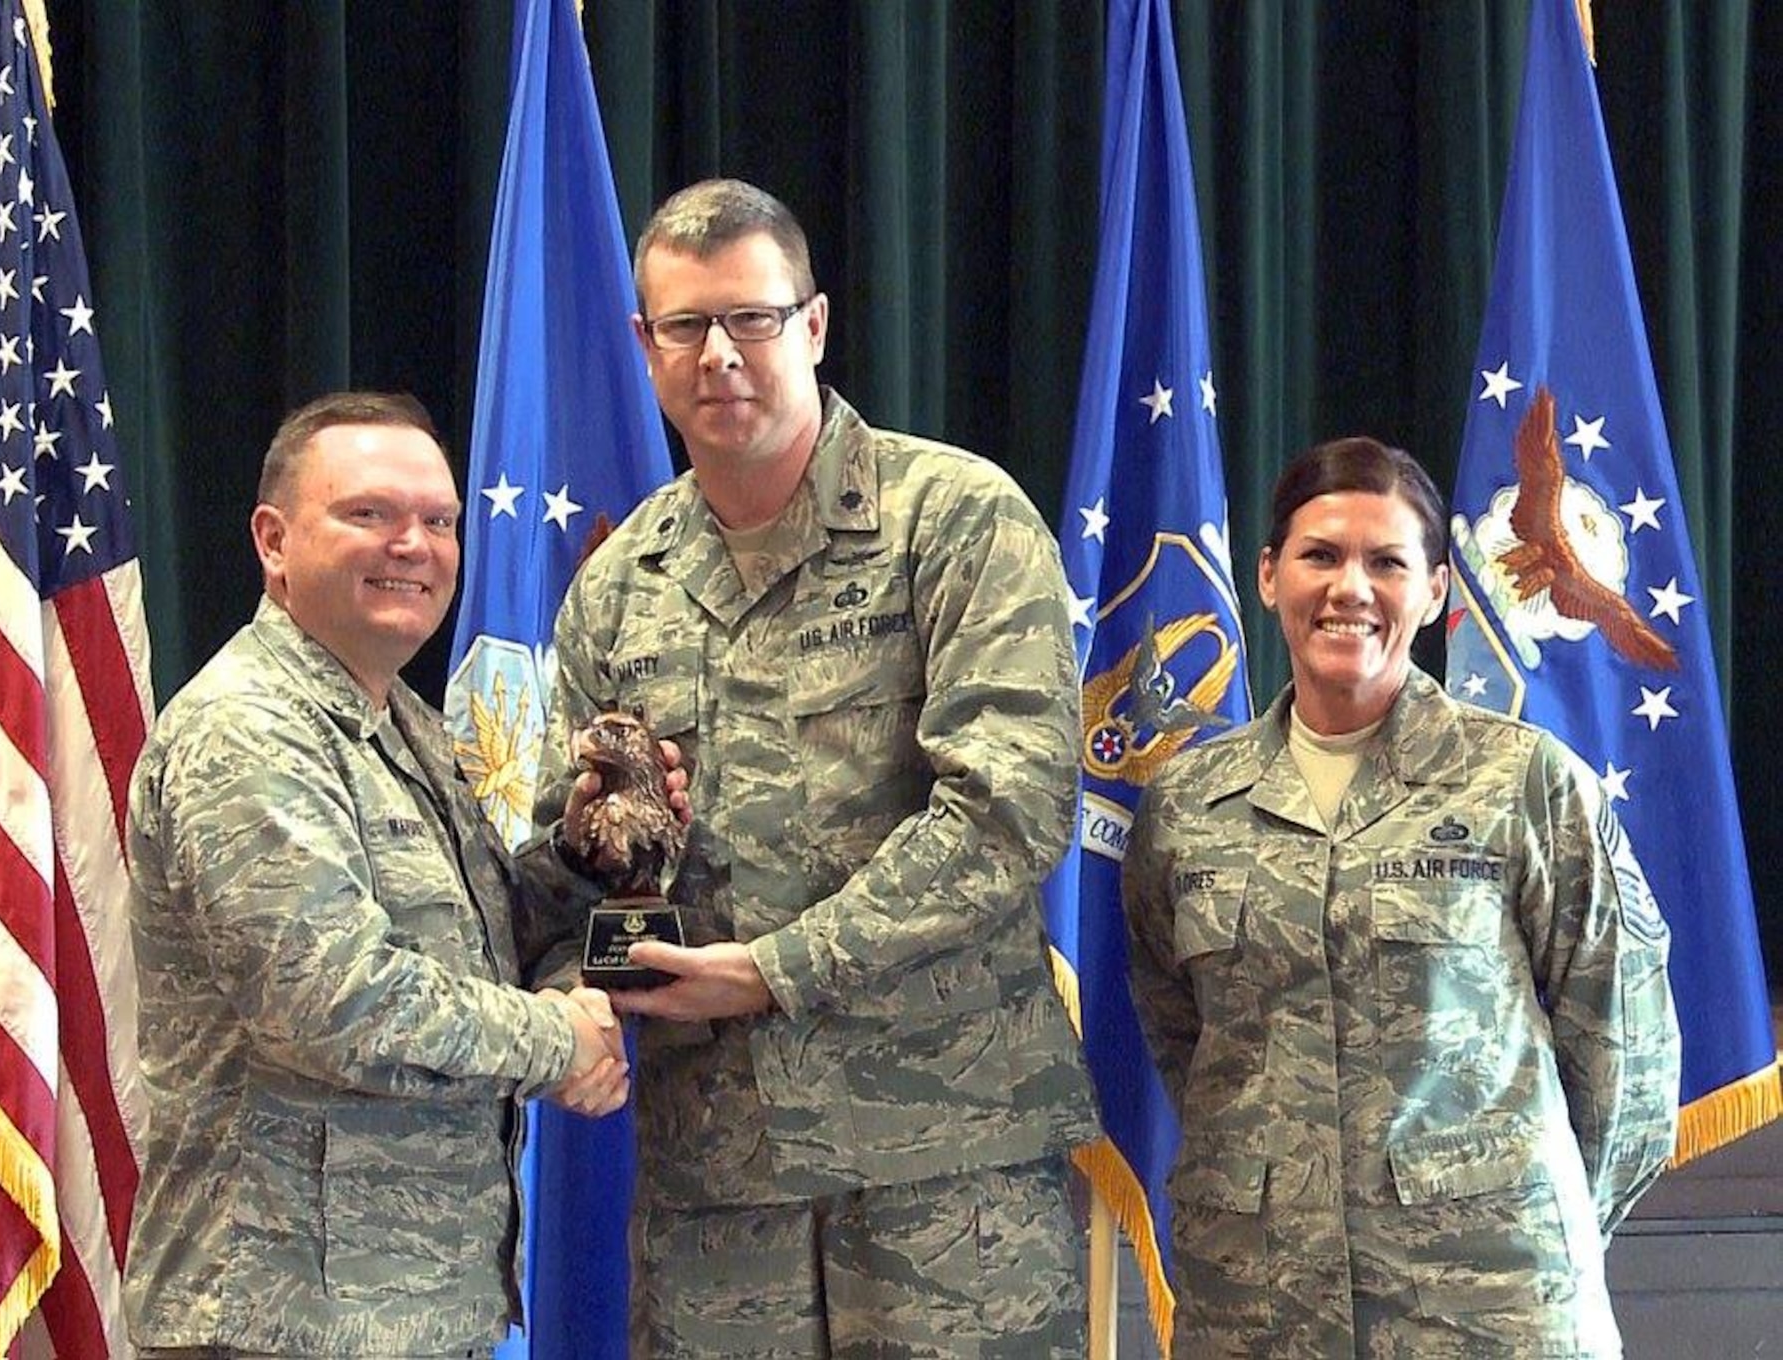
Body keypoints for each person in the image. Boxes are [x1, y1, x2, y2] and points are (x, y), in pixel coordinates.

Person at [526, 178, 1101, 1357]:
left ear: (815, 325)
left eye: (753, 318)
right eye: (684, 326)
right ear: (644, 345)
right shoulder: (617, 583)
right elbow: (573, 872)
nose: (719, 354)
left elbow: (1008, 805)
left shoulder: (952, 518)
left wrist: (776, 969)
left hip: (947, 1166)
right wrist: (600, 854)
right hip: (715, 1184)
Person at [123, 392, 674, 1358]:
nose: (413, 544)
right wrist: (560, 1038)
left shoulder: (401, 726)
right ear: (274, 540)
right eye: (369, 514)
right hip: (280, 1324)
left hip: (410, 1314)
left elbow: (487, 939)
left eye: (439, 520)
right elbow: (333, 999)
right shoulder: (248, 731)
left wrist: (588, 855)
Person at [1122, 437, 1681, 1357]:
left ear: (1433, 592)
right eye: (1321, 556)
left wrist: (1534, 1219)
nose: (1351, 588)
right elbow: (1185, 1034)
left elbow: (1624, 1050)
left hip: (1488, 1303)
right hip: (1261, 1304)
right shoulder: (1186, 806)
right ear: (1268, 578)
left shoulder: (1521, 782)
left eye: (1387, 562)